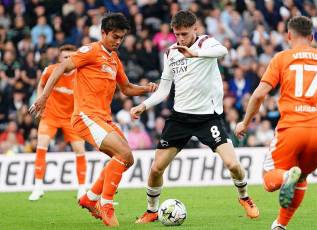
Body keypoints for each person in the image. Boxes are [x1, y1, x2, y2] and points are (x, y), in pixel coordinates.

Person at [130, 10, 259, 224]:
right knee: (156, 168)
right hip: (180, 118)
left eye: (185, 34)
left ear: (195, 29)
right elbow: (164, 90)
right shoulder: (171, 52)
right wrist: (143, 105)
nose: (180, 39)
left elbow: (223, 51)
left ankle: (244, 197)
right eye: (177, 34)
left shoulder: (206, 43)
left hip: (208, 118)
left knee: (233, 165)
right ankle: (152, 210)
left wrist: (194, 54)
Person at [29, 13, 157, 227]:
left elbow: (125, 89)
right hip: (85, 116)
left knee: (127, 159)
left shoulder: (114, 59)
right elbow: (61, 67)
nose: (118, 41)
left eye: (122, 38)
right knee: (123, 154)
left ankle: (90, 197)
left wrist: (147, 89)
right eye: (115, 36)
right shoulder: (90, 51)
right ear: (103, 32)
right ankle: (106, 204)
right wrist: (43, 97)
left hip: (103, 118)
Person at [235, 16, 317, 230]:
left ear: (288, 36)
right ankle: (280, 225)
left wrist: (245, 122)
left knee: (269, 178)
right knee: (301, 177)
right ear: (312, 37)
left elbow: (259, 95)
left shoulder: (282, 58)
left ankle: (286, 175)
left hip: (292, 128)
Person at [28, 44, 87, 201]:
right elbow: (41, 85)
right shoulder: (50, 70)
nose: (68, 60)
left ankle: (82, 189)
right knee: (41, 146)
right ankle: (38, 186)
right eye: (65, 57)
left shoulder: (82, 75)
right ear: (59, 58)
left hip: (71, 118)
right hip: (51, 115)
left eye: (70, 57)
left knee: (80, 150)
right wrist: (40, 101)